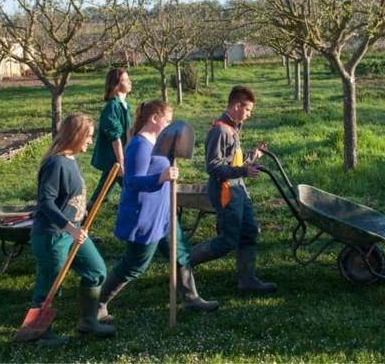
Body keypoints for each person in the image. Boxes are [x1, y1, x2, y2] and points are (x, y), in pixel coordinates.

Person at [98, 100, 218, 322]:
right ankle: (98, 304)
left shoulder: (158, 143)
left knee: (180, 254)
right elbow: (131, 182)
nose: (169, 125)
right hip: (145, 216)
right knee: (134, 265)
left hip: (165, 214)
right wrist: (161, 177)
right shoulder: (139, 146)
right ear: (154, 118)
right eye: (167, 120)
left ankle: (191, 298)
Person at [27, 113, 114, 344]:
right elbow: (45, 202)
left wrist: (85, 207)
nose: (90, 141)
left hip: (73, 231)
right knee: (50, 283)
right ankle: (37, 332)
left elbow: (68, 197)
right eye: (88, 136)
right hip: (53, 235)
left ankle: (87, 320)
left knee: (96, 271)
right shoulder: (56, 163)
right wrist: (69, 226)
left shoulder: (71, 160)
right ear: (76, 135)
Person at [188, 86, 277, 294]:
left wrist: (253, 155)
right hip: (225, 190)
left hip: (238, 189)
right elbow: (213, 166)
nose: (249, 115)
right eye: (247, 110)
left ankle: (247, 280)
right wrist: (244, 172)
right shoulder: (220, 130)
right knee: (228, 240)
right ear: (237, 106)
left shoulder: (233, 128)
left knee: (249, 232)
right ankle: (182, 263)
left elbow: (232, 159)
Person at [89, 68, 132, 207]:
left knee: (104, 190)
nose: (130, 82)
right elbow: (115, 137)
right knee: (130, 187)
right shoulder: (112, 107)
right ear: (116, 84)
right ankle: (85, 214)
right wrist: (121, 162)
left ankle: (86, 213)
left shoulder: (125, 105)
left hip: (120, 156)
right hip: (114, 157)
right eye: (125, 80)